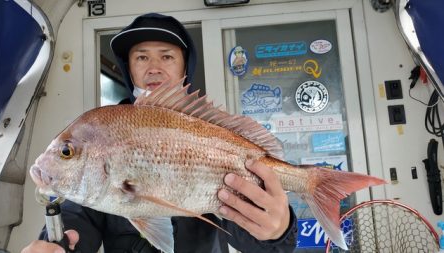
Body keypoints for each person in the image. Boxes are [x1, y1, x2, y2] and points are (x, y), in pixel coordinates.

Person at [22, 13, 297, 253]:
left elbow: (253, 240)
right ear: (129, 68)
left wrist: (277, 232)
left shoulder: (214, 130)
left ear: (185, 67)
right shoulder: (101, 133)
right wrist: (57, 245)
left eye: (166, 56)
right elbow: (77, 218)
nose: (154, 67)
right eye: (141, 57)